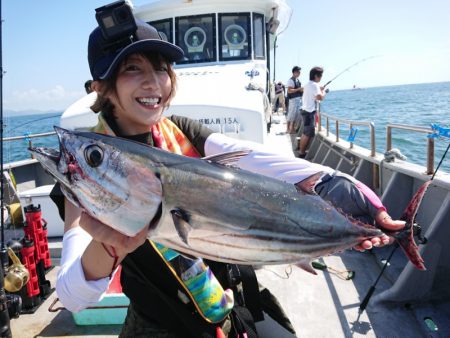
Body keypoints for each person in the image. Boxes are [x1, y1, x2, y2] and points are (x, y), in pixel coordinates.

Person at [52, 12, 404, 338]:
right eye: (131, 69)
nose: (152, 82)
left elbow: (260, 160)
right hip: (161, 326)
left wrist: (345, 188)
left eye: (161, 68)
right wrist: (109, 247)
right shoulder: (85, 171)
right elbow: (72, 296)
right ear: (101, 87)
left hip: (235, 303)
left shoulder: (184, 133)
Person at [298, 66, 326, 158]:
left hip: (305, 110)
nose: (321, 78)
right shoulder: (315, 85)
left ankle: (302, 151)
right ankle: (301, 153)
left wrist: (320, 90)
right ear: (316, 76)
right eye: (320, 76)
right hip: (309, 112)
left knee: (305, 132)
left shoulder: (307, 84)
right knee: (307, 133)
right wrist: (324, 91)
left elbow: (313, 95)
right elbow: (320, 98)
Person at [285, 66, 303, 134]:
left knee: (296, 115)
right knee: (291, 115)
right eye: (298, 72)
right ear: (294, 72)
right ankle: (288, 129)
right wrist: (299, 89)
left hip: (298, 100)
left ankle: (292, 128)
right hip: (293, 100)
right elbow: (289, 91)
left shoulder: (297, 80)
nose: (299, 73)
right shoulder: (291, 80)